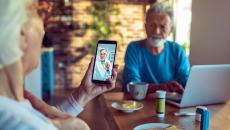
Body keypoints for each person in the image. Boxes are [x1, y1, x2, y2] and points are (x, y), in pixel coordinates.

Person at [0, 0, 118, 129]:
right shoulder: (22, 123)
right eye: (39, 12)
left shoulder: (11, 106)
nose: (44, 30)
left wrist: (84, 94)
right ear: (20, 35)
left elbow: (45, 122)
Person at [122, 3, 190, 95]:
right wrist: (162, 88)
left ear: (170, 30)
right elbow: (131, 85)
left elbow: (185, 81)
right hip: (140, 105)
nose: (156, 31)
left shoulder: (177, 50)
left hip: (170, 105)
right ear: (145, 27)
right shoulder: (134, 48)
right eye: (152, 25)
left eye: (162, 26)